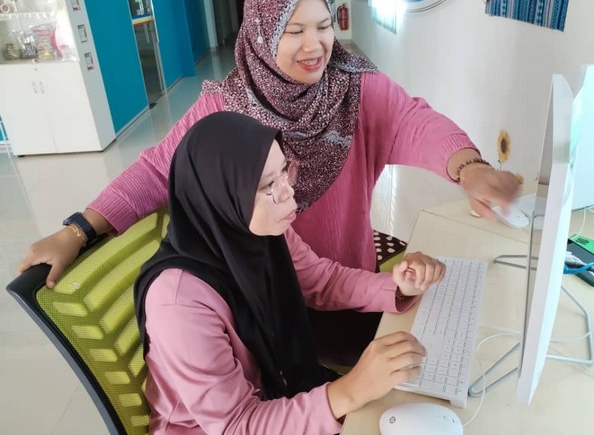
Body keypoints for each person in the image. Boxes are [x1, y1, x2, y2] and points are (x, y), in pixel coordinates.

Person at [18, 0, 519, 361]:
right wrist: (77, 230)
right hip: (266, 305)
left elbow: (413, 121)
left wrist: (470, 169)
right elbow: (155, 170)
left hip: (347, 285)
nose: (315, 45)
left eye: (324, 26)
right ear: (261, 33)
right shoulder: (226, 108)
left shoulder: (354, 87)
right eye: (293, 30)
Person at [135, 111, 442, 434]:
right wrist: (351, 390)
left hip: (279, 391)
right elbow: (236, 426)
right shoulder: (179, 304)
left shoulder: (259, 233)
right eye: (269, 185)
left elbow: (323, 280)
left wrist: (397, 285)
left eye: (284, 171)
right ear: (222, 196)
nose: (288, 193)